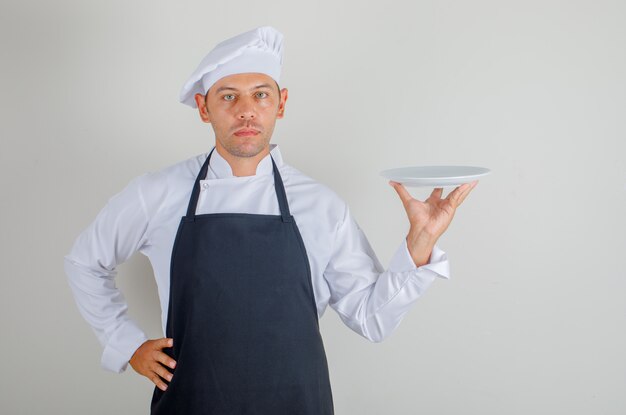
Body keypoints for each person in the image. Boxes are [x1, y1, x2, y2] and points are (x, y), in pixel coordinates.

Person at [64, 25, 477, 414]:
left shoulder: (320, 204)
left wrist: (419, 244)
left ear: (281, 102)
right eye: (228, 96)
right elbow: (84, 261)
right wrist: (126, 344)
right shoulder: (157, 193)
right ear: (203, 109)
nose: (246, 111)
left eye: (260, 95)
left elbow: (372, 319)